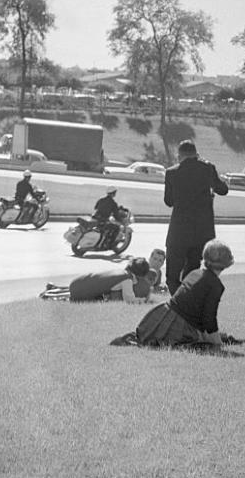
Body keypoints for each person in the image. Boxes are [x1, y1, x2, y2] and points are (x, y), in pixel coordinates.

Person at [134, 239, 234, 347]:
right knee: (204, 342)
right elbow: (209, 319)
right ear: (225, 264)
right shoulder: (215, 285)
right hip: (180, 325)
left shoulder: (195, 273)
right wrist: (218, 343)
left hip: (163, 315)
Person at [163, 139, 228, 294]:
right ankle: (186, 300)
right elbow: (223, 190)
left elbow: (169, 201)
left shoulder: (171, 172)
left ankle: (176, 301)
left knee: (172, 275)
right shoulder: (208, 168)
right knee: (192, 272)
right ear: (196, 154)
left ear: (179, 156)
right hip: (201, 232)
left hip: (178, 231)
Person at [68, 257, 153, 303]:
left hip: (76, 282)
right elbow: (129, 299)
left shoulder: (121, 272)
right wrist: (143, 300)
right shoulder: (127, 279)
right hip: (80, 293)